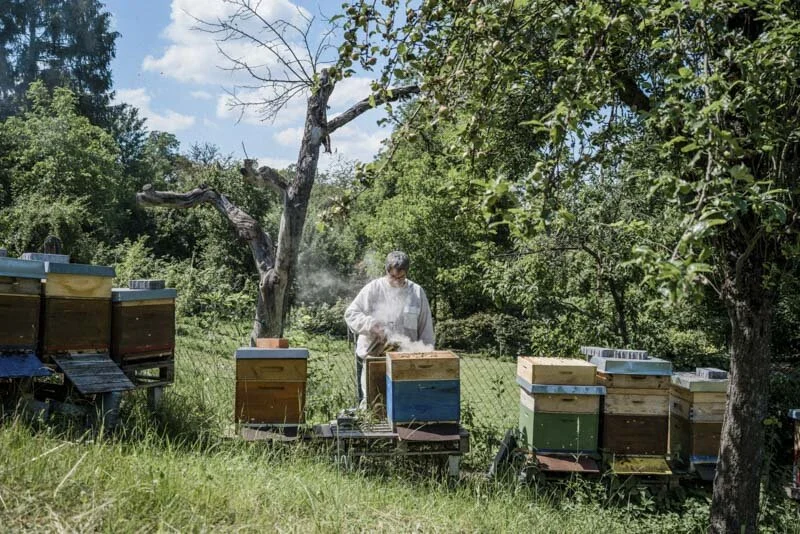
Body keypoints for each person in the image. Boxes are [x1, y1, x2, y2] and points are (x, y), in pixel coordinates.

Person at [344, 251, 435, 405]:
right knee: (373, 404)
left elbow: (426, 329)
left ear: (406, 272)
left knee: (404, 405)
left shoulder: (417, 292)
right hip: (375, 357)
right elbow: (351, 314)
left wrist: (426, 359)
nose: (397, 281)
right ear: (386, 271)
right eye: (393, 277)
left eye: (401, 277)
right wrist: (371, 325)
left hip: (405, 361)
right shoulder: (373, 289)